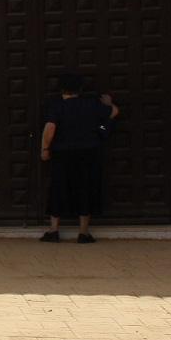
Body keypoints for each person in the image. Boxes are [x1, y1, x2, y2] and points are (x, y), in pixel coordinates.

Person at [40, 73, 119, 244]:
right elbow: (113, 112)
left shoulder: (57, 106)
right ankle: (83, 232)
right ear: (81, 89)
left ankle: (54, 230)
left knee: (59, 187)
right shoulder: (91, 104)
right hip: (88, 152)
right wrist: (108, 105)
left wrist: (45, 149)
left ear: (61, 88)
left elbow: (50, 128)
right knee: (86, 188)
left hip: (63, 153)